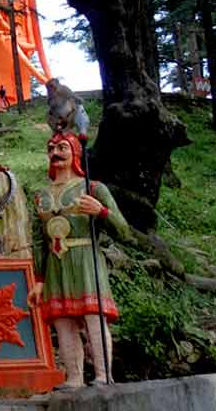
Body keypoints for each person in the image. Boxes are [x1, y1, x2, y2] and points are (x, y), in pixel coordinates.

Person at [27, 131, 131, 388]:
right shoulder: (41, 196)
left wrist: (101, 211)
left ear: (75, 153)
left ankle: (103, 374)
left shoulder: (94, 188)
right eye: (51, 148)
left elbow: (124, 231)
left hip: (85, 259)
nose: (55, 153)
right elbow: (39, 242)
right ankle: (74, 377)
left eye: (62, 147)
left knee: (94, 317)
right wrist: (38, 278)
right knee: (62, 322)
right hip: (56, 262)